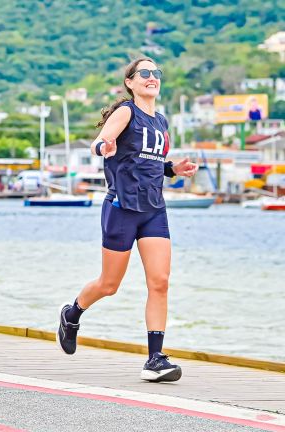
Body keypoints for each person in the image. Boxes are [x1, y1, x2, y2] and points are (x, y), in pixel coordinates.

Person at [56, 58, 198, 382]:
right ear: (130, 83)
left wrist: (173, 169)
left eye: (156, 74)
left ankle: (155, 359)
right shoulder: (126, 113)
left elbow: (150, 162)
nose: (152, 78)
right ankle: (72, 313)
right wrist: (103, 146)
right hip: (121, 208)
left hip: (153, 210)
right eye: (144, 73)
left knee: (160, 282)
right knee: (109, 285)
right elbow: (101, 143)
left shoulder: (161, 122)